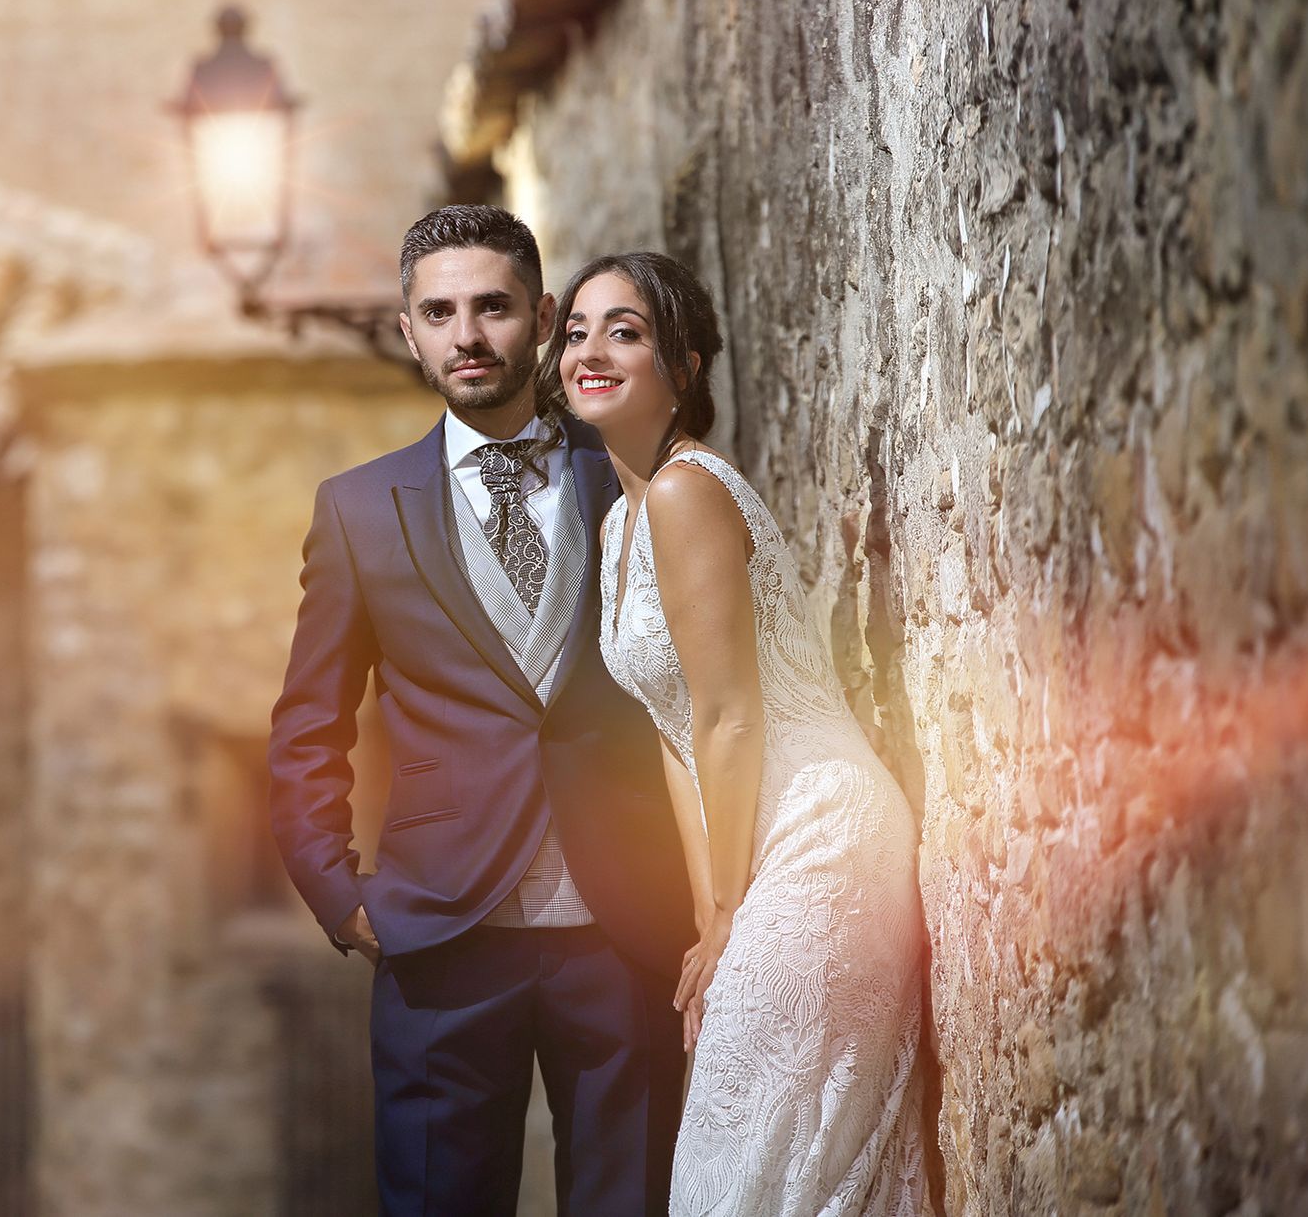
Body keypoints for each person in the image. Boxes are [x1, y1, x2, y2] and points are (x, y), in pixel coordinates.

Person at [269, 207, 696, 1215]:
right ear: (410, 328)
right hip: (439, 942)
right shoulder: (360, 510)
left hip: (627, 929)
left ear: (543, 316)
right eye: (441, 311)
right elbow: (305, 729)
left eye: (494, 306)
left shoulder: (632, 479)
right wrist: (341, 893)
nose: (468, 333)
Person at [549, 251, 932, 1216]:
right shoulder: (616, 528)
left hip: (821, 833)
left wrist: (730, 912)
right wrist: (705, 922)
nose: (590, 349)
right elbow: (676, 737)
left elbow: (729, 714)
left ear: (683, 365)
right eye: (577, 330)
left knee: (746, 1169)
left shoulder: (686, 493)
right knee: (742, 1162)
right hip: (749, 866)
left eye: (623, 331)